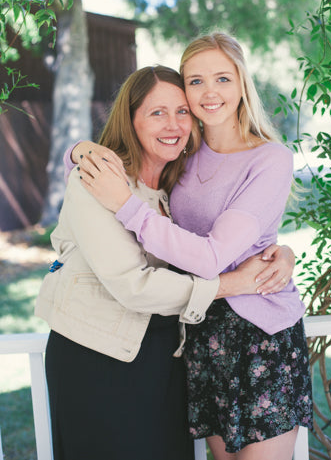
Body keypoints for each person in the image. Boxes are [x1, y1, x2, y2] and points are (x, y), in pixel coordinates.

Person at [35, 64, 295, 460]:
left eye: (181, 111)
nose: (172, 124)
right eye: (157, 112)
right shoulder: (98, 182)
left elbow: (215, 236)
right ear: (131, 119)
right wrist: (233, 284)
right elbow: (133, 285)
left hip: (165, 360)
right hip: (96, 359)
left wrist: (281, 251)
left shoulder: (176, 185)